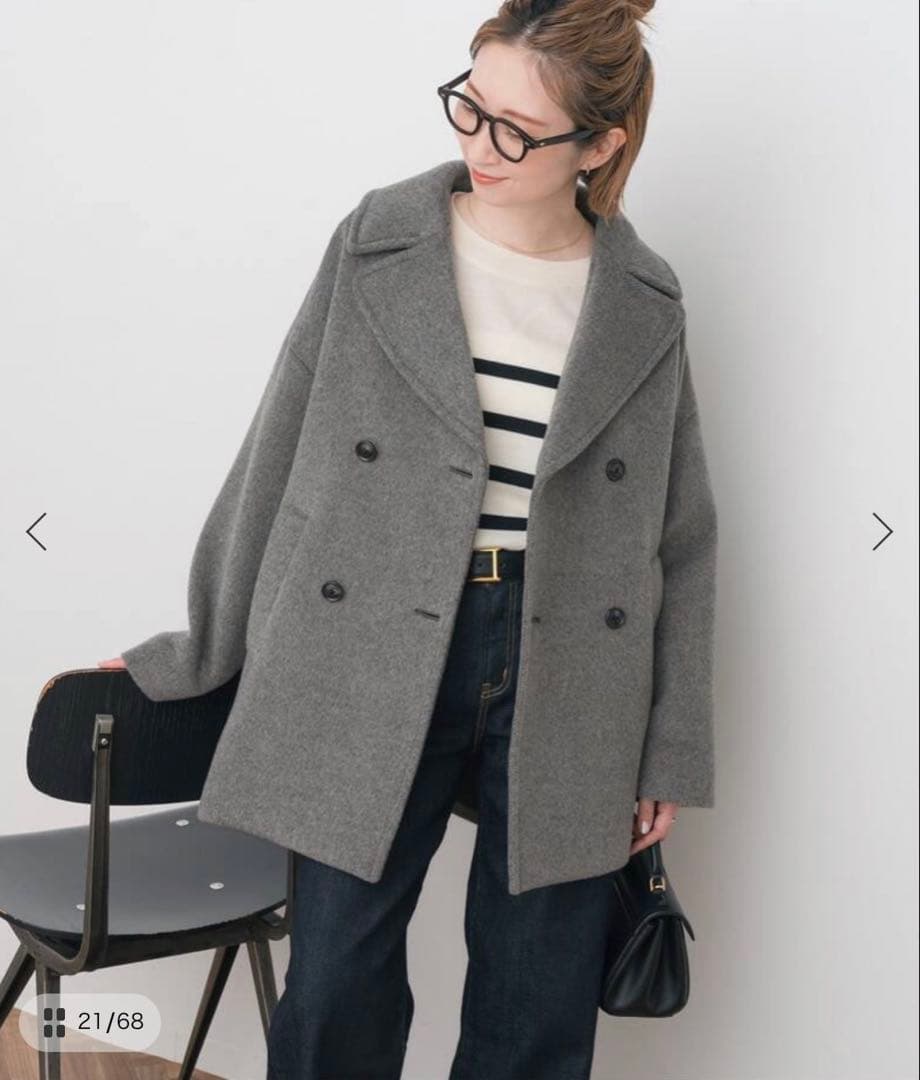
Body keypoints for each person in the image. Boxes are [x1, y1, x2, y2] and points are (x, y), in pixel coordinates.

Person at [101, 1, 717, 1076]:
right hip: (372, 631)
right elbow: (278, 448)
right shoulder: (382, 240)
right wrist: (200, 646)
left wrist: (670, 741)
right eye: (470, 106)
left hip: (572, 661)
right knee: (337, 979)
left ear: (600, 146)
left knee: (536, 997)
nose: (481, 143)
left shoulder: (641, 300)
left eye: (518, 130)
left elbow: (679, 532)